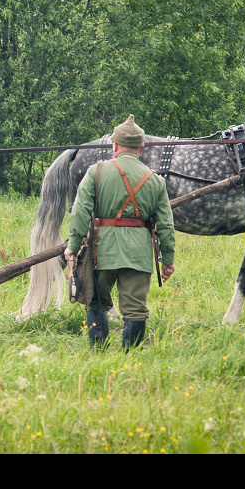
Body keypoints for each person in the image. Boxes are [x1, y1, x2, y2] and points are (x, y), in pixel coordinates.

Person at [63, 114, 176, 351]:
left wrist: (73, 245)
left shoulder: (96, 172)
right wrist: (167, 260)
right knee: (135, 309)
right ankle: (130, 359)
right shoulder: (155, 181)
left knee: (95, 301)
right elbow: (166, 225)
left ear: (114, 145)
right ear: (141, 148)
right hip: (139, 254)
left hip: (101, 252)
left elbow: (80, 212)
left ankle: (99, 353)